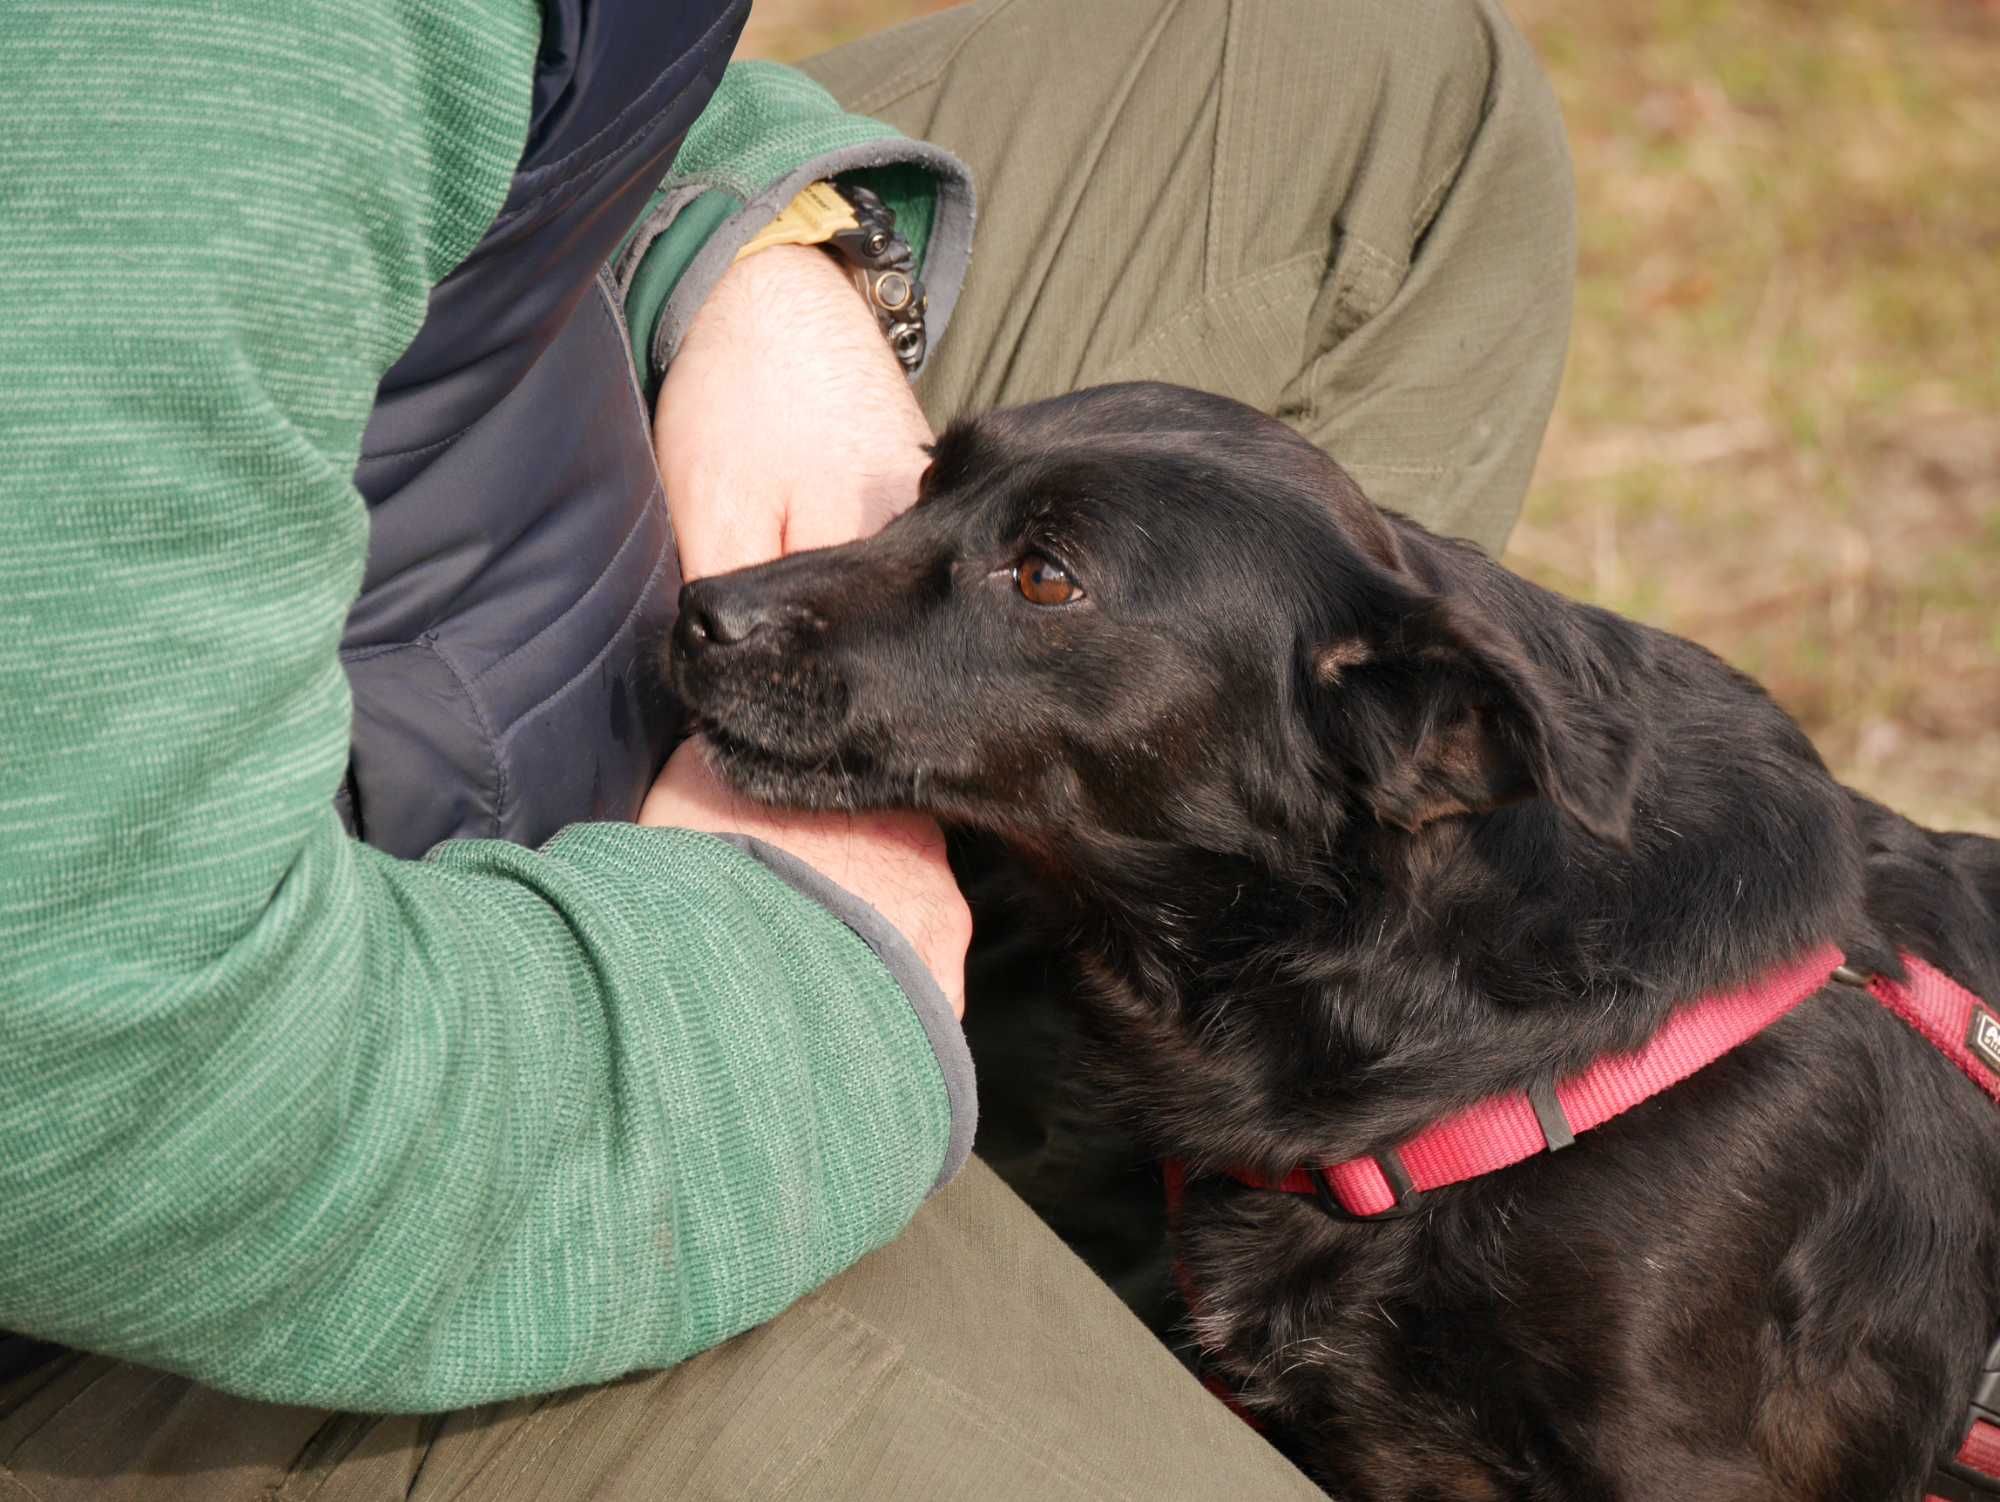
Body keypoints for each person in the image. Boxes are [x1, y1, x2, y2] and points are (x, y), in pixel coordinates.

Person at [0, 0, 1574, 1494]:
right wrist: (789, 1004)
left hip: (485, 494)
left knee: (1386, 109)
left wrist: (742, 249)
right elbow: (99, 1061)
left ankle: (1096, 1185)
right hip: (194, 1221)